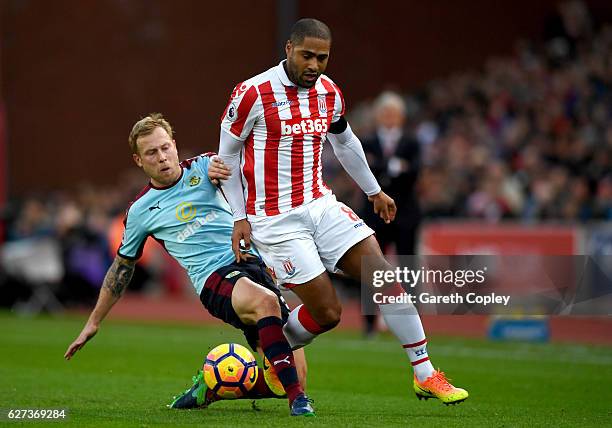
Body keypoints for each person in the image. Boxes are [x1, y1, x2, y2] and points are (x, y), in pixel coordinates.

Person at [215, 18, 468, 405]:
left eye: (322, 58)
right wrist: (238, 216)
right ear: (288, 49)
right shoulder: (252, 93)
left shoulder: (330, 92)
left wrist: (375, 191)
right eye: (307, 56)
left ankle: (425, 373)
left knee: (383, 277)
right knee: (328, 313)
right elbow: (226, 159)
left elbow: (346, 143)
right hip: (275, 220)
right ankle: (271, 343)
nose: (314, 65)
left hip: (322, 205)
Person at [64, 113, 314, 417]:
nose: (162, 158)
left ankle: (210, 387)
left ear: (174, 145)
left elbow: (247, 174)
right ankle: (298, 402)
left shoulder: (205, 166)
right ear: (138, 161)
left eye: (165, 148)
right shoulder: (141, 211)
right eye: (151, 153)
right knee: (265, 302)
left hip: (253, 264)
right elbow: (121, 268)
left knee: (289, 376)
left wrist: (234, 172)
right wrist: (94, 321)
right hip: (214, 278)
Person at [360, 91, 422, 336]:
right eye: (385, 112)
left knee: (408, 267)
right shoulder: (366, 141)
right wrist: (397, 166)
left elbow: (414, 173)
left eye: (393, 113)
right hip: (373, 213)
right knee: (371, 265)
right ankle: (369, 324)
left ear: (402, 117)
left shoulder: (412, 141)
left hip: (405, 214)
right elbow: (364, 169)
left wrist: (383, 166)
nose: (389, 117)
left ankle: (412, 326)